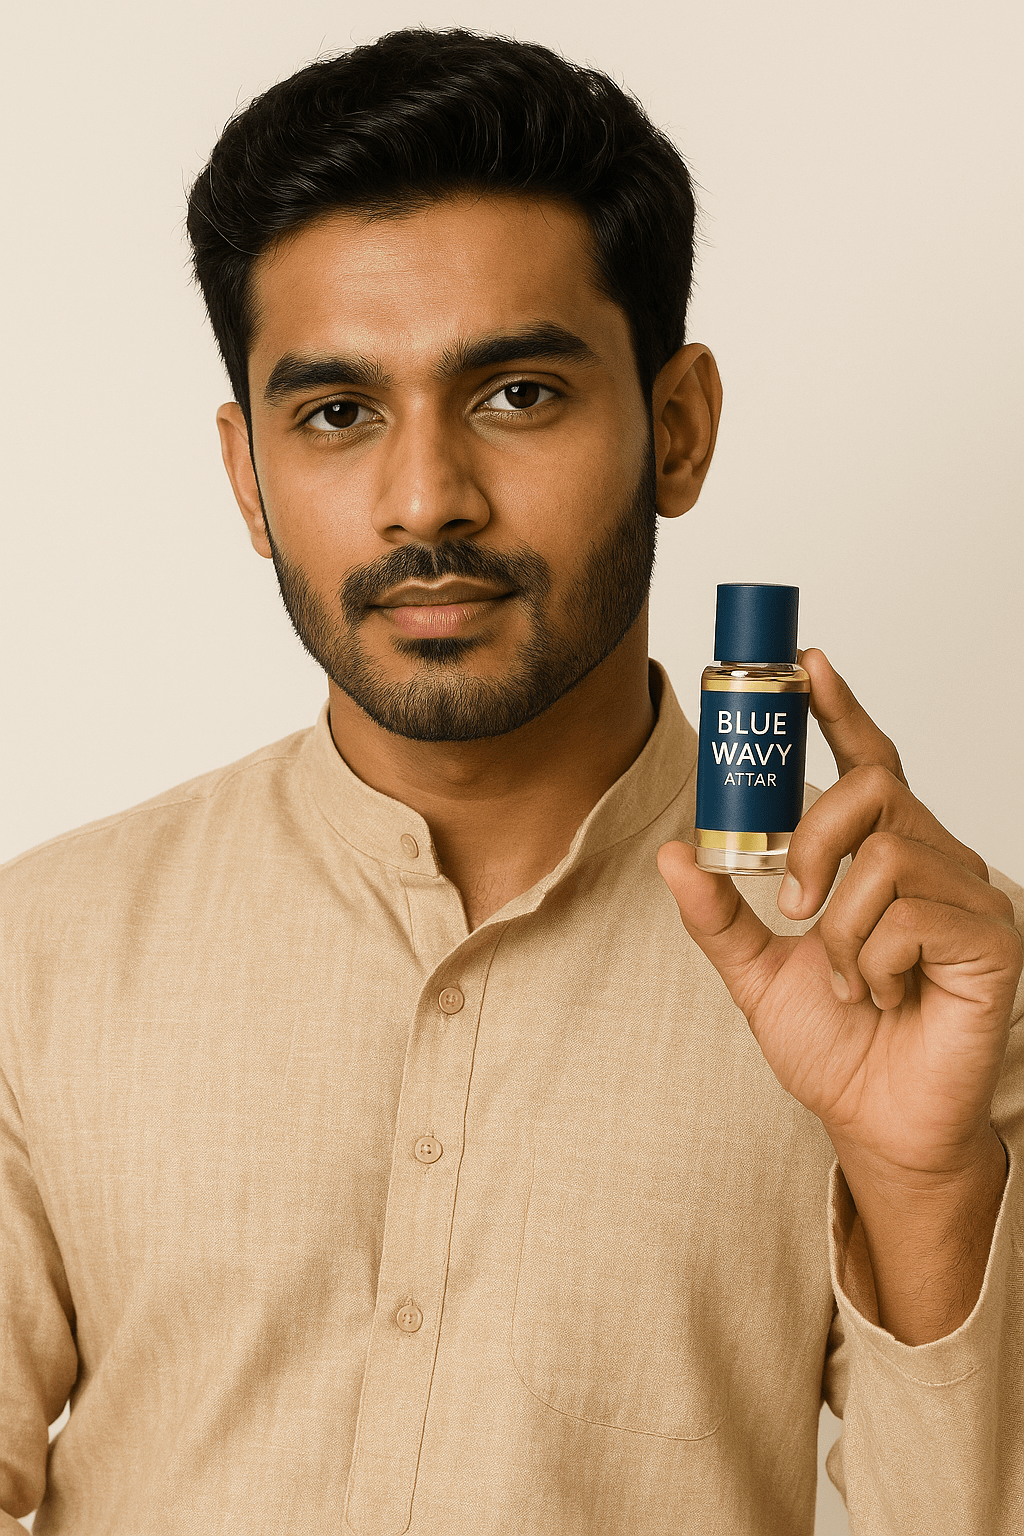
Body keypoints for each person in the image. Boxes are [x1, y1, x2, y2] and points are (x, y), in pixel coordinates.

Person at [1, 27, 1021, 1535]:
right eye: (336, 413)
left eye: (518, 393)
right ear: (248, 476)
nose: (426, 501)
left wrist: (927, 1186)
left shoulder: (922, 978)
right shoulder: (43, 951)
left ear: (678, 429)